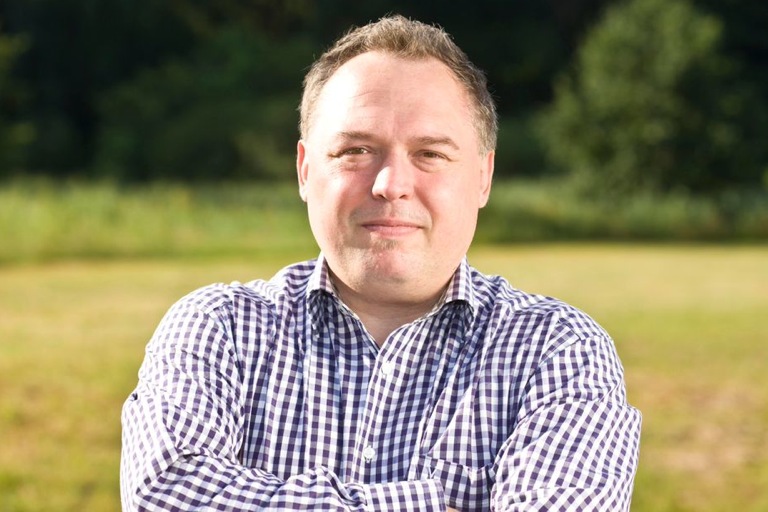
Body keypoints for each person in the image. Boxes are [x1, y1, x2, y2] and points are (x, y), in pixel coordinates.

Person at [121, 15, 641, 511]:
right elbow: (162, 497)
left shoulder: (557, 351)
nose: (391, 184)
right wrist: (434, 504)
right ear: (305, 171)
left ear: (483, 178)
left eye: (430, 153)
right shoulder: (219, 330)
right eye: (356, 150)